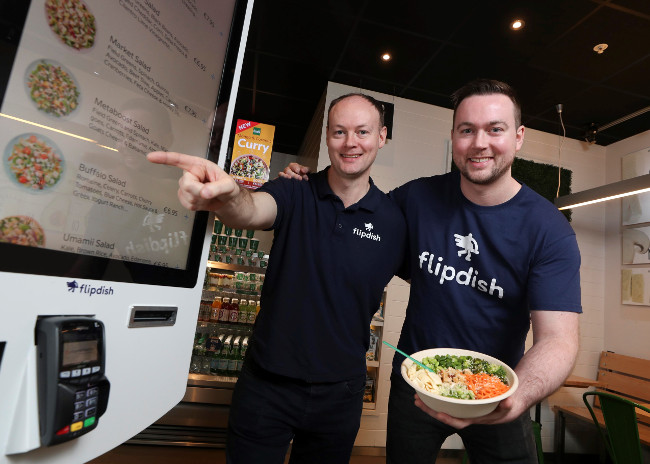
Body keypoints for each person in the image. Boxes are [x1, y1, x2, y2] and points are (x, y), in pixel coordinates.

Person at [281, 79, 582, 464]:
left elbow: (558, 340)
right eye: (467, 130)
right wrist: (306, 188)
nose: (479, 143)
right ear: (454, 135)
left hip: (499, 389)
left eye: (495, 129)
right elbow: (354, 226)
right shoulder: (416, 199)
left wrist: (517, 397)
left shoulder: (549, 230)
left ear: (519, 137)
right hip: (417, 384)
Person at [147, 93, 406, 464]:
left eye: (362, 132)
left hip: (341, 392)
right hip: (267, 385)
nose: (351, 142)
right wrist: (227, 195)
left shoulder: (393, 222)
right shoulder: (293, 191)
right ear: (327, 138)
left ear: (381, 137)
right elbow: (250, 209)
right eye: (339, 132)